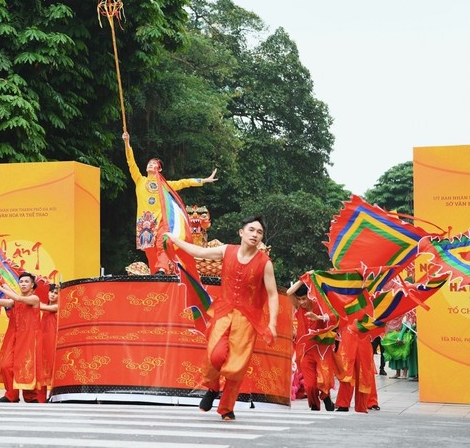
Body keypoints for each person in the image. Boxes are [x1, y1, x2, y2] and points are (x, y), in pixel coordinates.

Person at [165, 216, 279, 421]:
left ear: (262, 239)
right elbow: (199, 252)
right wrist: (174, 239)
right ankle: (212, 388)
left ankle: (227, 407)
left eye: (259, 232)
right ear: (241, 232)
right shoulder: (227, 250)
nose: (255, 235)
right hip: (223, 312)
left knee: (236, 366)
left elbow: (272, 294)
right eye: (251, 230)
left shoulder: (265, 263)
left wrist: (272, 324)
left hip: (247, 318)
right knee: (215, 355)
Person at [123, 131, 217, 274]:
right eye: (149, 163)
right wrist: (126, 143)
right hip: (144, 221)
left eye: (154, 164)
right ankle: (156, 273)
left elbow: (183, 182)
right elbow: (131, 163)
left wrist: (203, 180)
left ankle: (162, 268)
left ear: (159, 169)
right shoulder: (140, 180)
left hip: (161, 218)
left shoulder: (165, 185)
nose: (150, 165)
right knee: (149, 249)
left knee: (162, 242)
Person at [0, 272, 45, 403]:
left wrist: (1, 288)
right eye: (21, 282)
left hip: (30, 338)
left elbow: (19, 299)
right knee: (6, 366)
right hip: (15, 337)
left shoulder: (34, 299)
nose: (23, 284)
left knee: (27, 367)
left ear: (32, 285)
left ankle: (31, 396)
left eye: (26, 281)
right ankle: (11, 395)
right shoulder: (14, 301)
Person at [286, 280, 337, 411]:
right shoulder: (298, 307)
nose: (302, 302)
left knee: (324, 380)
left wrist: (318, 318)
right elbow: (288, 292)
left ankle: (326, 397)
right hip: (305, 351)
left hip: (322, 350)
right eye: (299, 299)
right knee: (310, 385)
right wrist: (303, 279)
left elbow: (334, 318)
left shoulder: (319, 306)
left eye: (304, 298)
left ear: (310, 295)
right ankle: (314, 405)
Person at [334, 322, 379, 413]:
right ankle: (343, 403)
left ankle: (363, 404)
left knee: (364, 372)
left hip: (363, 338)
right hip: (348, 337)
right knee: (347, 371)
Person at [38, 283, 59, 401]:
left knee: (52, 368)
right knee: (42, 369)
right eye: (51, 292)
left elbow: (41, 306)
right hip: (42, 342)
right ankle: (41, 398)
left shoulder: (57, 307)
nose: (53, 295)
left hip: (53, 342)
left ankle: (53, 396)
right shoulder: (45, 307)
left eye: (56, 293)